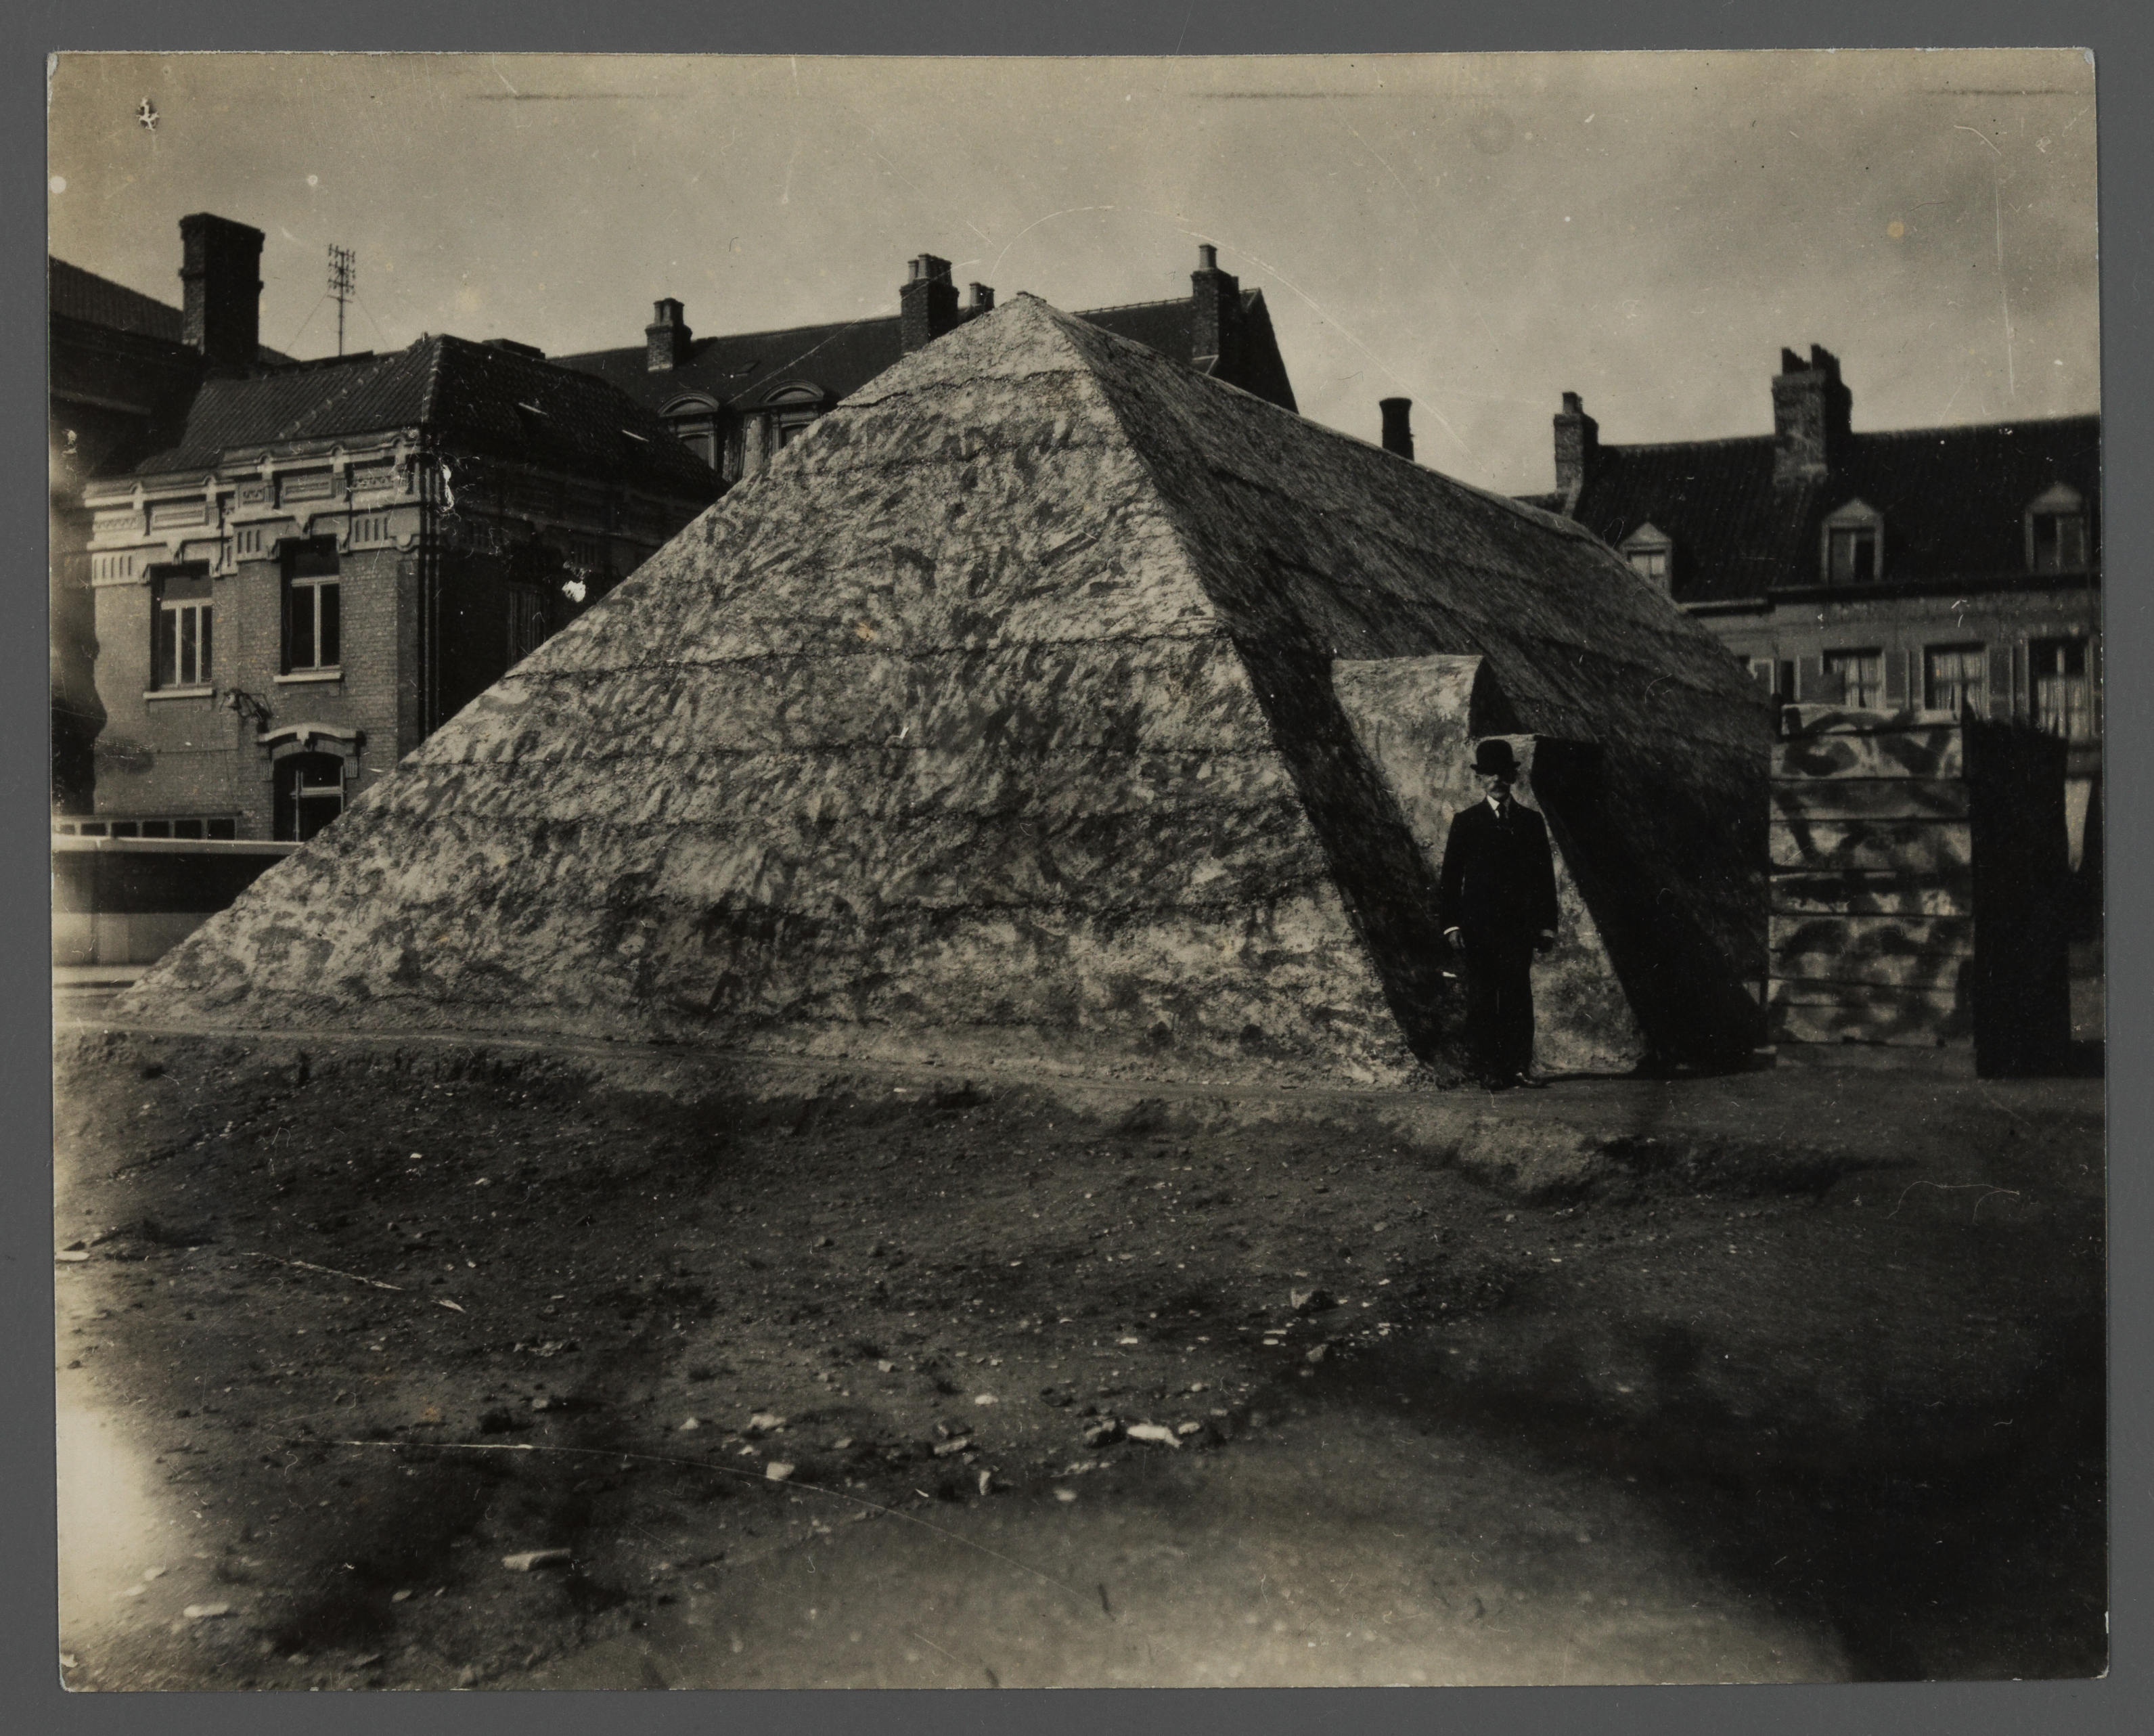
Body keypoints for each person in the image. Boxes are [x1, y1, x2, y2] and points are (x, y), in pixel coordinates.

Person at [1437, 738, 1560, 1088]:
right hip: (1478, 928)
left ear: (1512, 776)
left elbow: (1543, 879)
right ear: (1479, 779)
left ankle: (1519, 1067)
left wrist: (1547, 926)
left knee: (1518, 996)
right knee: (1483, 997)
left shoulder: (1531, 822)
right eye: (1489, 773)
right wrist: (1451, 925)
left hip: (1519, 929)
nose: (1497, 780)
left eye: (1503, 772)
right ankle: (1489, 1069)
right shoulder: (1466, 822)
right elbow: (1450, 880)